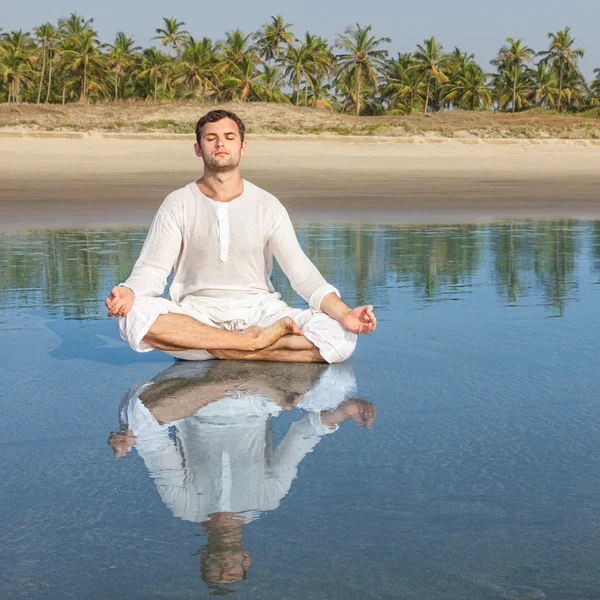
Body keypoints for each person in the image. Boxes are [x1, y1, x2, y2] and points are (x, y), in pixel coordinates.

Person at [104, 110, 376, 363]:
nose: (220, 144)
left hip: (259, 312)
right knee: (133, 315)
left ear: (242, 147)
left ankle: (227, 347)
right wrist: (129, 291)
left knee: (341, 337)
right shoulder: (178, 203)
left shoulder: (267, 204)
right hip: (198, 314)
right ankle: (248, 346)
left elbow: (303, 275)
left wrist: (345, 314)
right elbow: (152, 270)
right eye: (211, 138)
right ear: (198, 149)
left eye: (229, 137)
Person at [108, 360, 375, 590]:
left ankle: (228, 381)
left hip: (195, 401)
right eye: (232, 575)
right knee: (340, 381)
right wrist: (343, 413)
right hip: (256, 400)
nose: (224, 570)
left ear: (203, 560)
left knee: (135, 416)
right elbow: (301, 437)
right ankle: (238, 379)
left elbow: (156, 446)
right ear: (246, 560)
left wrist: (129, 436)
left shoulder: (184, 506)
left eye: (216, 573)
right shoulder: (267, 499)